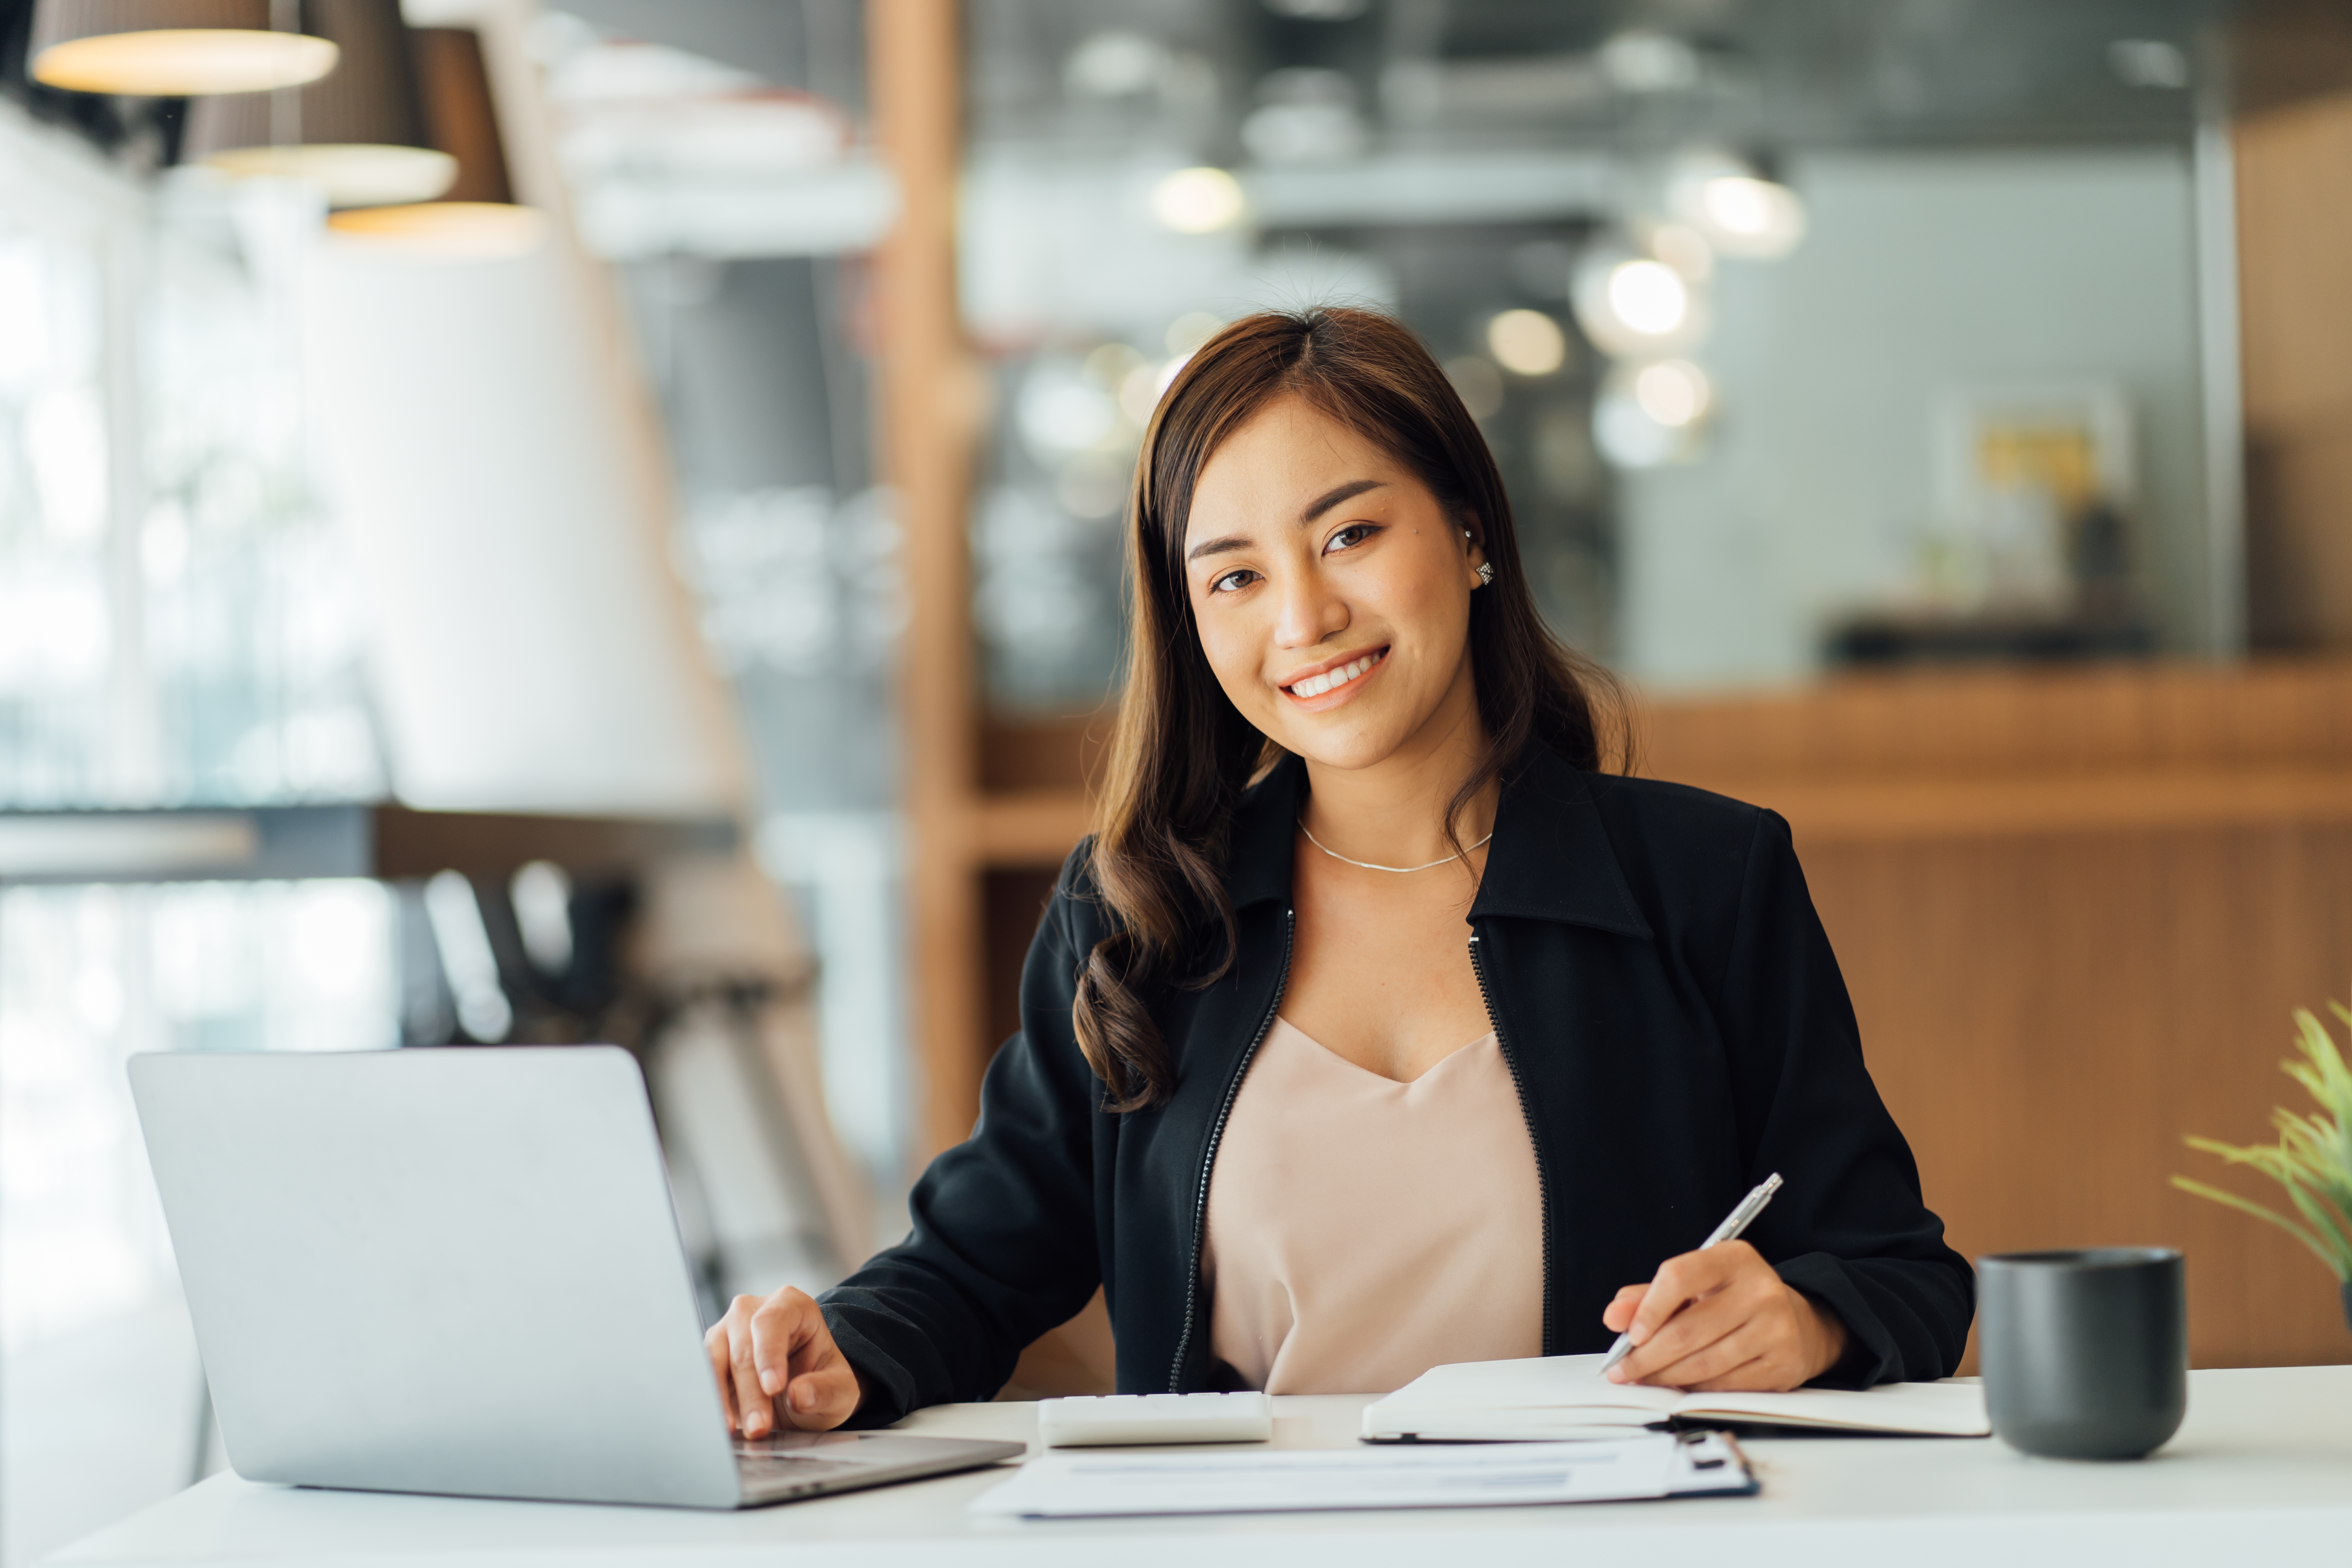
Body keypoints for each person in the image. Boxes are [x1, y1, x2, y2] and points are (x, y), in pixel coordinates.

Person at [705, 307, 1973, 1437]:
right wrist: (844, 1348)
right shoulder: (1135, 913)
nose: (1303, 618)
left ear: (1472, 534)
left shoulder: (1707, 878)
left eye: (1351, 533)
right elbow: (972, 1273)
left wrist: (1806, 1320)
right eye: (1238, 576)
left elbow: (1901, 1271)